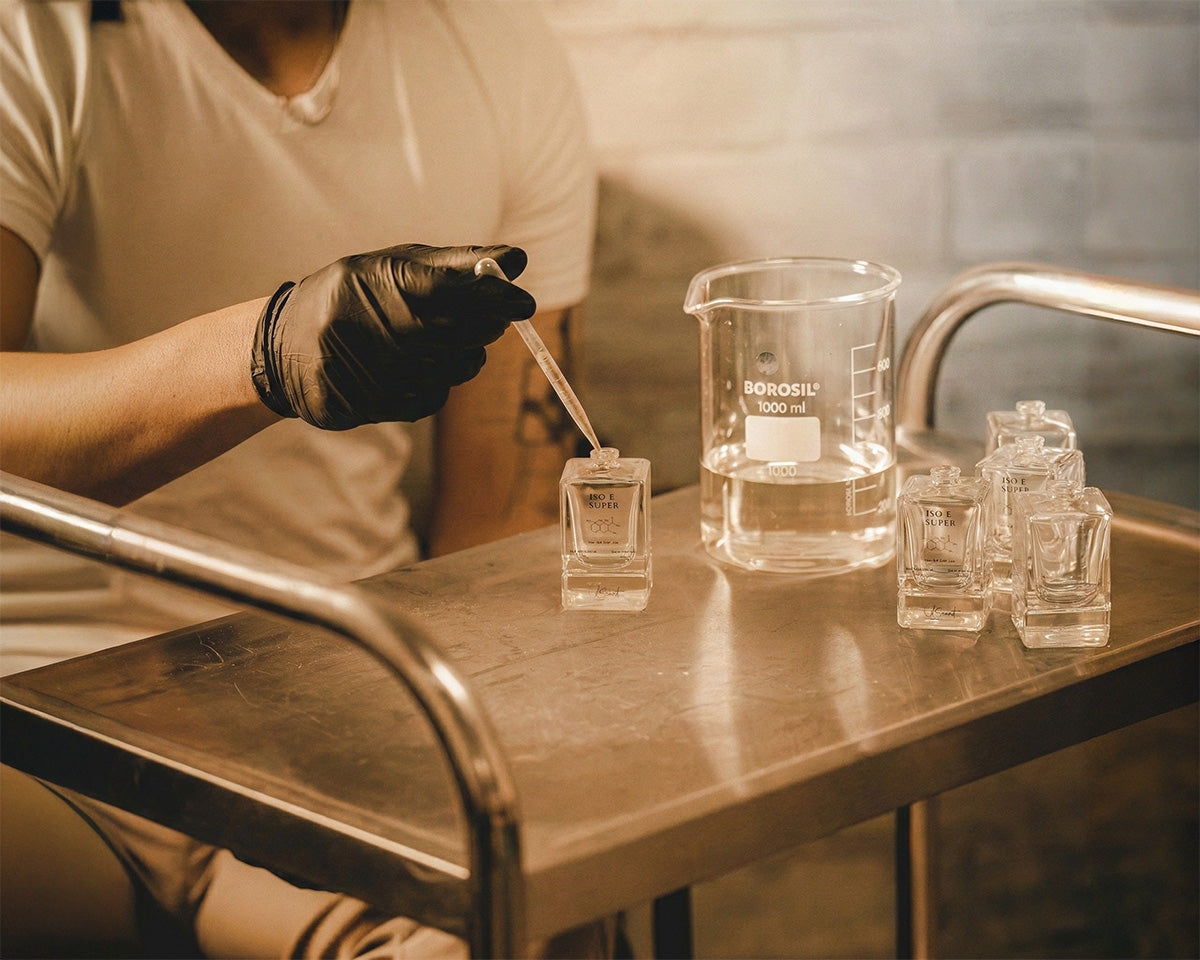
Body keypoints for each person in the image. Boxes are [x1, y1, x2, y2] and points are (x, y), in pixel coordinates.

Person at [0, 0, 601, 956]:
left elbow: (504, 510)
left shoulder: (497, 50)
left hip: (341, 704)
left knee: (531, 922)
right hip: (45, 710)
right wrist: (264, 354)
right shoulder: (34, 33)